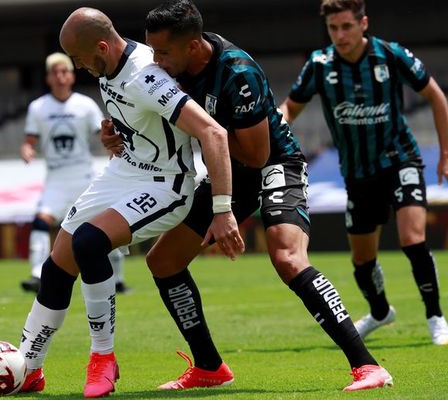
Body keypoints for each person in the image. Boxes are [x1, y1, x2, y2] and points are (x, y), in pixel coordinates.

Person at [103, 0, 390, 392]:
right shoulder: (171, 70)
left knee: (287, 257)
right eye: (153, 51)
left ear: (192, 46)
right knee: (164, 261)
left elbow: (255, 154)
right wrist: (120, 136)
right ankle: (208, 367)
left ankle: (368, 367)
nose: (156, 60)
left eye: (164, 52)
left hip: (275, 164)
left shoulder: (237, 73)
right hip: (227, 171)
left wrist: (207, 136)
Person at [17, 7, 245, 398]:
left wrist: (222, 208)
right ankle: (28, 368)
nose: (80, 68)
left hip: (168, 184)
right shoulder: (109, 66)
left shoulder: (146, 75)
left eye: (81, 60)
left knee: (90, 243)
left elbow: (213, 133)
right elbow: (140, 122)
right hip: (124, 172)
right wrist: (114, 134)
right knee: (58, 264)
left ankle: (103, 358)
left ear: (102, 46)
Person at [280, 0, 448, 346]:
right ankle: (381, 311)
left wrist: (445, 153)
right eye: (333, 28)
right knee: (362, 258)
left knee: (412, 238)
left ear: (363, 23)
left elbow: (436, 96)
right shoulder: (319, 64)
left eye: (346, 26)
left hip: (401, 160)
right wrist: (272, 132)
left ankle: (436, 317)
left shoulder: (390, 55)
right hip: (357, 173)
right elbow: (291, 108)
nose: (340, 35)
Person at [20, 52, 129, 295]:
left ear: (71, 76)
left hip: (84, 177)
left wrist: (114, 149)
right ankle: (37, 274)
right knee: (40, 222)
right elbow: (29, 140)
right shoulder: (38, 108)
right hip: (56, 179)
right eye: (55, 72)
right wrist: (27, 149)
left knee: (105, 225)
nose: (60, 77)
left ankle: (118, 278)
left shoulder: (85, 105)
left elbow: (102, 136)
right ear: (48, 78)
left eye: (64, 71)